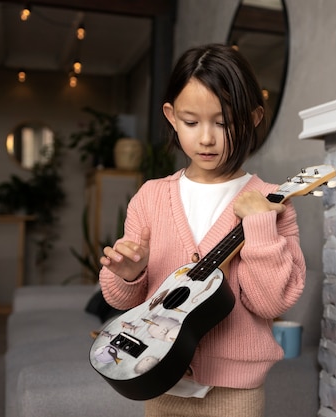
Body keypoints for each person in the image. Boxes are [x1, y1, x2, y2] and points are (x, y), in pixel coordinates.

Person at [99, 43, 306, 417]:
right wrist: (129, 277)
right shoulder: (150, 197)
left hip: (234, 392)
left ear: (254, 117)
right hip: (158, 378)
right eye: (191, 122)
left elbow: (271, 303)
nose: (206, 138)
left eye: (224, 123)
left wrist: (259, 226)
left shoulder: (271, 202)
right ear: (171, 116)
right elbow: (125, 303)